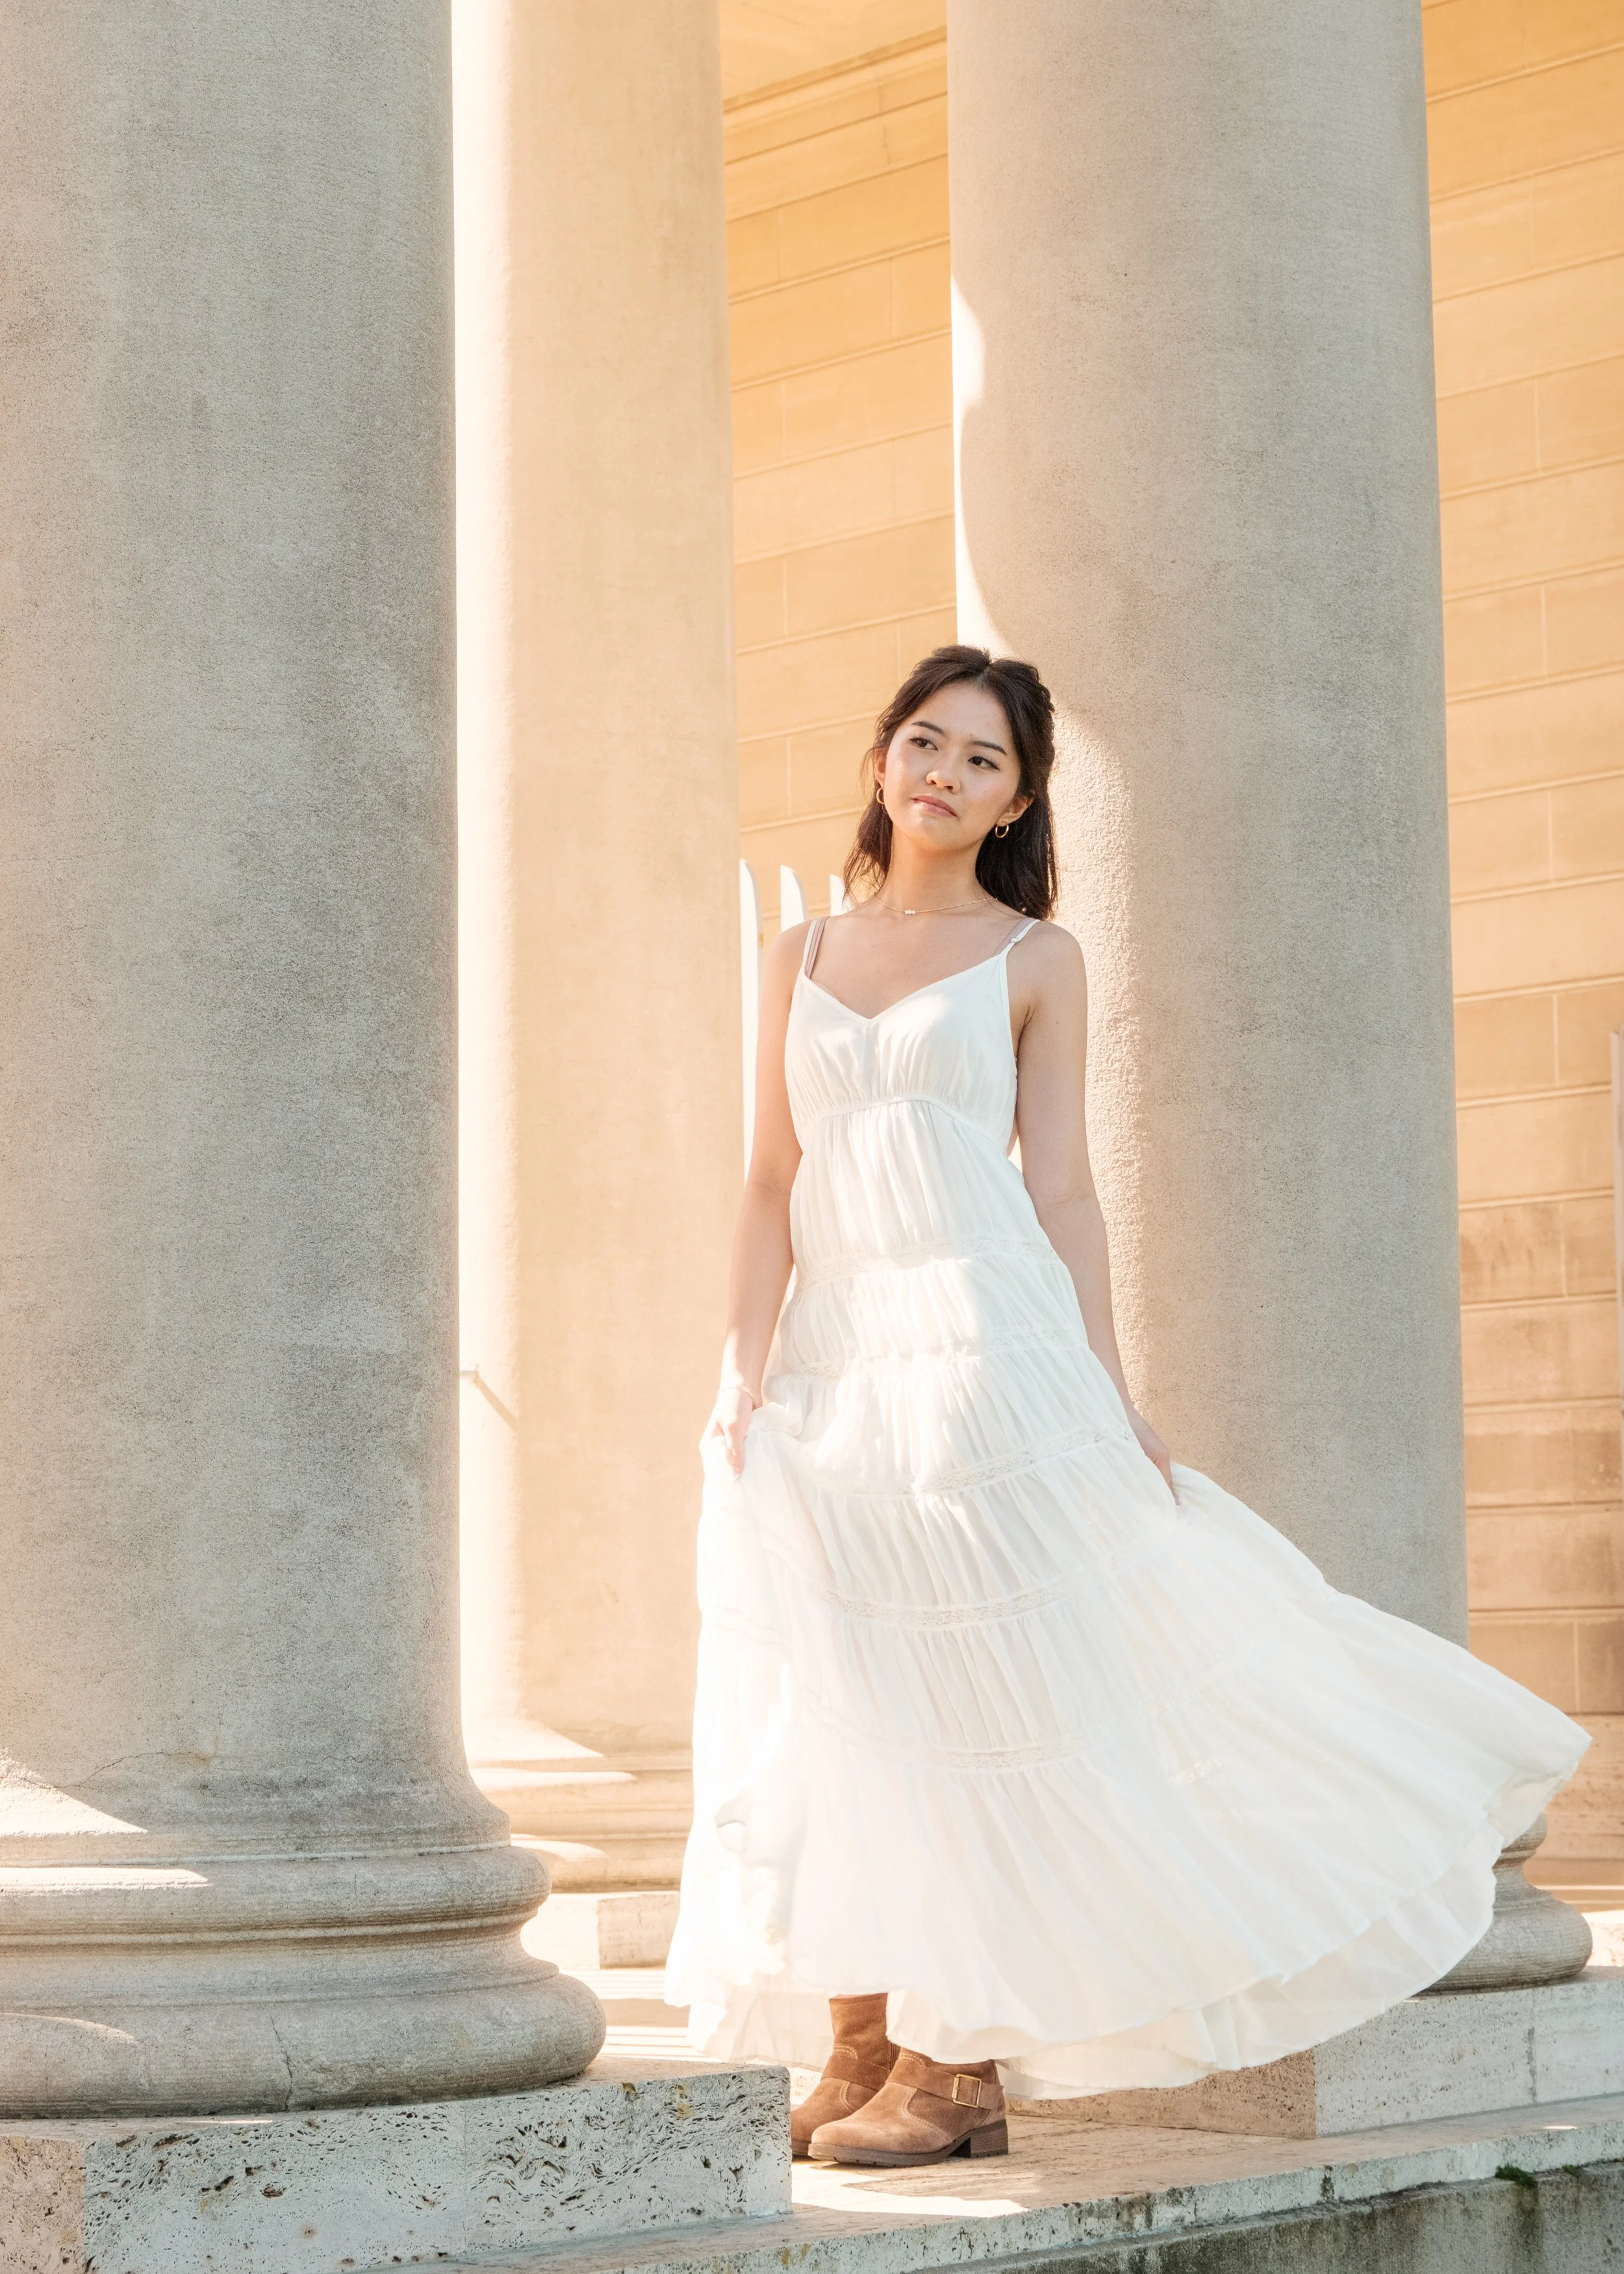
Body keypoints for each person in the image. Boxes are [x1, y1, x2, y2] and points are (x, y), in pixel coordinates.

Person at [664, 645, 1586, 2171]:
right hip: (834, 1354)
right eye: (923, 741)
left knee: (969, 1687)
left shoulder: (1035, 957)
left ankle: (955, 2069)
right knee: (841, 1680)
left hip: (974, 1342)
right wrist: (738, 1368)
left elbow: (1064, 1185)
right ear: (879, 758)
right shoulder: (798, 956)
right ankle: (860, 2034)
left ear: (1017, 797)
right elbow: (769, 1181)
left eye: (980, 760)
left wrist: (1100, 1383)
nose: (942, 775)